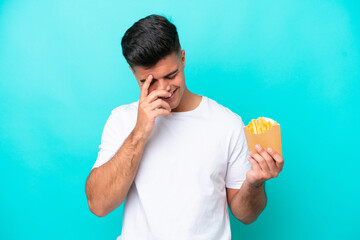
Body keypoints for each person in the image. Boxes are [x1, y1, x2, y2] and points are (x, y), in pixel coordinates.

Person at [85, 14, 284, 240]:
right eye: (148, 82)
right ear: (134, 73)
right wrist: (140, 131)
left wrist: (255, 183)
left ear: (183, 59)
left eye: (171, 75)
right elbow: (98, 205)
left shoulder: (226, 123)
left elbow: (246, 215)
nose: (164, 89)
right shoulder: (122, 120)